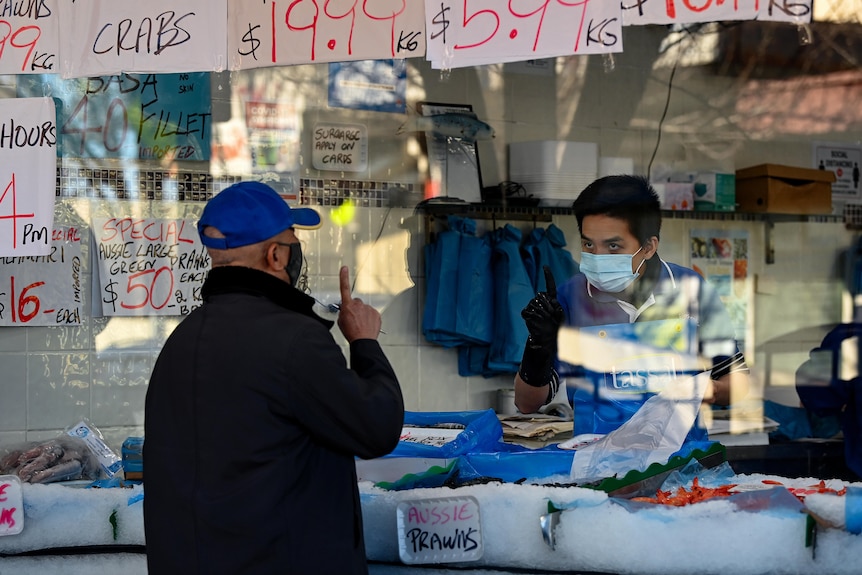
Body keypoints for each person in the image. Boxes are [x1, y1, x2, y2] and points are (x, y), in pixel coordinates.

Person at [143, 181, 405, 575]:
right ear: (276, 255)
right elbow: (377, 428)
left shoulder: (182, 340)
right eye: (293, 238)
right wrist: (364, 342)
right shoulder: (295, 340)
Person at [514, 175, 749, 436]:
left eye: (613, 246)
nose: (598, 257)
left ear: (648, 247)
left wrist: (707, 390)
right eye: (588, 244)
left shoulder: (691, 289)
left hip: (681, 462)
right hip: (596, 462)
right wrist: (537, 347)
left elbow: (738, 382)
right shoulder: (571, 296)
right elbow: (527, 404)